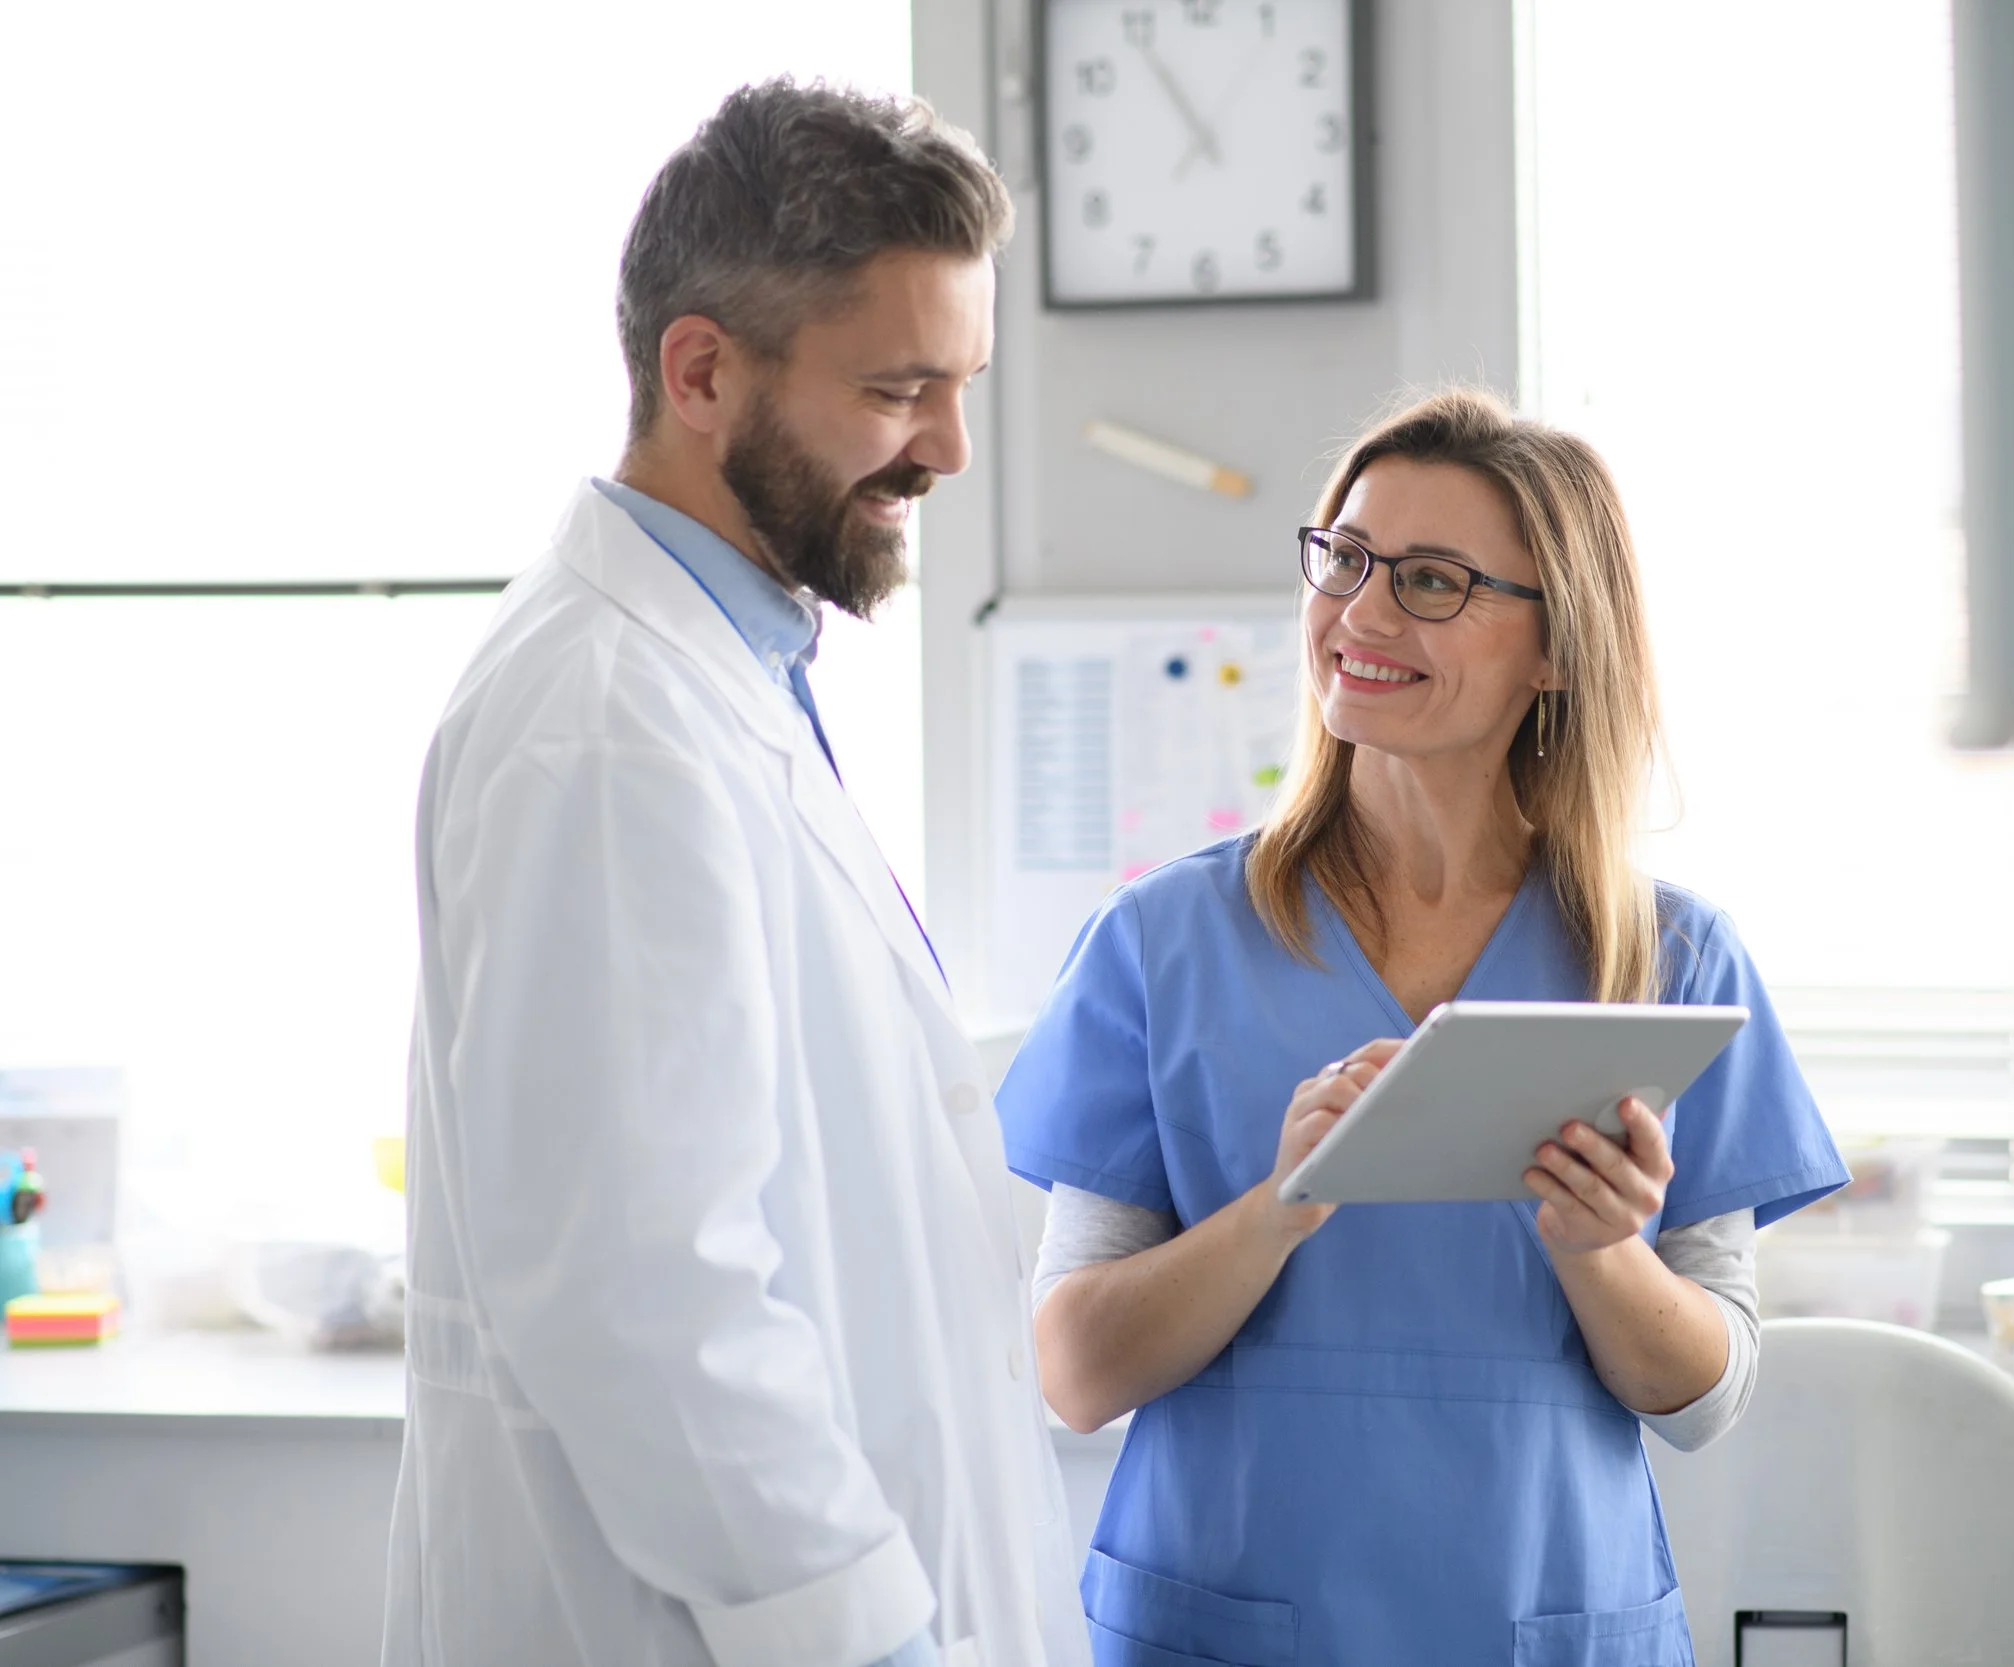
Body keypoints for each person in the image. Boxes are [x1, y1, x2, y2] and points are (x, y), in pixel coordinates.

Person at [384, 81, 1085, 1667]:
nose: (949, 450)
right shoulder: (607, 723)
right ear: (699, 371)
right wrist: (873, 1640)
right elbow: (646, 1295)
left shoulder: (722, 673)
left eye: (963, 385)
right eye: (901, 387)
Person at [994, 389, 1850, 1666]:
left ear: (1555, 649)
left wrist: (1601, 1247)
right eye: (1342, 558)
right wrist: (1279, 1201)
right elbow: (1070, 1372)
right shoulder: (1161, 945)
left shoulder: (1663, 959)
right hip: (1224, 1622)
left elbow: (1705, 1395)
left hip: (1541, 1619)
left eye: (1434, 580)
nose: (1362, 612)